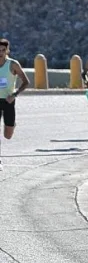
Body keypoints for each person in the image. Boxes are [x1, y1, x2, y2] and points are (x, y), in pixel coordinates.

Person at [0, 38, 30, 170]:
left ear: (7, 51)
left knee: (8, 135)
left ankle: (12, 125)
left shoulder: (13, 64)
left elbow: (26, 82)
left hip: (8, 100)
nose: (0, 53)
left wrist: (15, 94)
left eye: (3, 50)